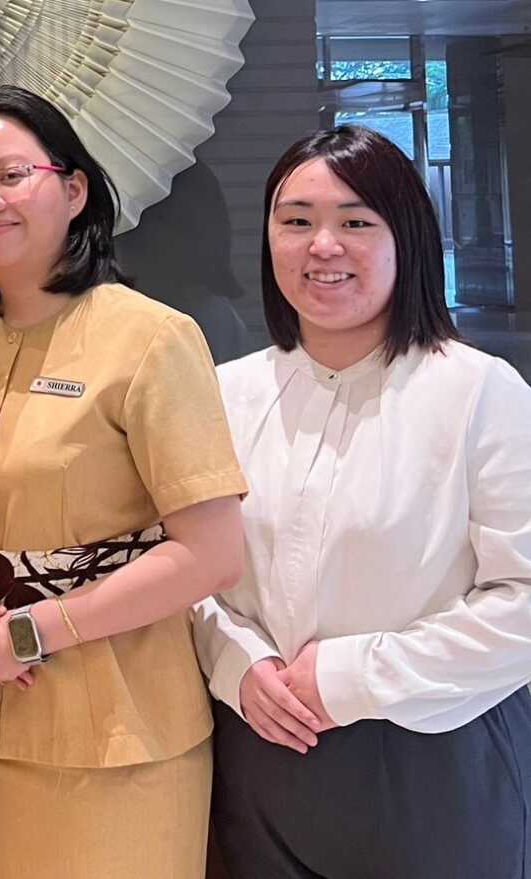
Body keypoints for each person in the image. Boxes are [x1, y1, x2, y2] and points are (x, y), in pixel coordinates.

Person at [196, 125, 531, 878]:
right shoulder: (223, 393)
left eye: (355, 221)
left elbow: (524, 600)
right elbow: (187, 573)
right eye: (296, 220)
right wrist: (236, 661)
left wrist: (351, 677)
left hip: (434, 752)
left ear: (407, 236)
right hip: (257, 747)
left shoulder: (479, 392)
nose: (323, 245)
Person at [0, 85, 246, 878]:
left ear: (74, 190)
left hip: (119, 726)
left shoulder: (152, 338)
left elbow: (211, 554)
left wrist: (31, 631)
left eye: (9, 176)